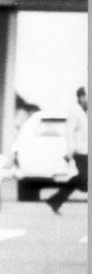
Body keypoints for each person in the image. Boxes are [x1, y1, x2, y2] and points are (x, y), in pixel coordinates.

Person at [46, 86, 88, 214]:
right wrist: (70, 151)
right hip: (79, 151)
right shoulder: (75, 111)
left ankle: (55, 200)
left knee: (83, 180)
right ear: (80, 97)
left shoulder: (86, 111)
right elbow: (69, 133)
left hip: (86, 150)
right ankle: (55, 200)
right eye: (87, 95)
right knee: (83, 178)